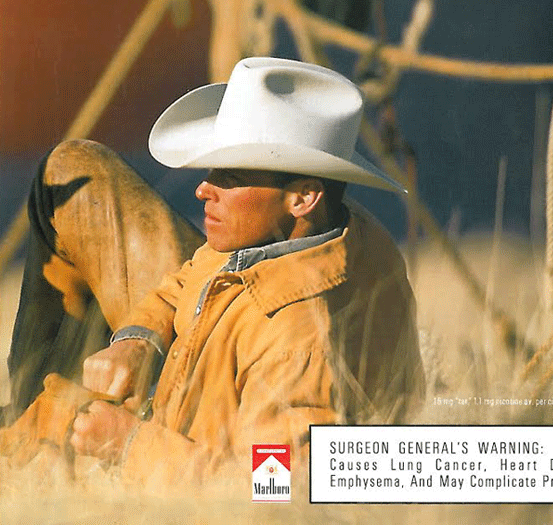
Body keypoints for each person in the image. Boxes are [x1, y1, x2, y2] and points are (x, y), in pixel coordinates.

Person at [2, 57, 424, 490]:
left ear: (302, 197)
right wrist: (139, 340)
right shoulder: (311, 226)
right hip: (195, 382)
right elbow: (189, 277)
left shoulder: (300, 345)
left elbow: (274, 488)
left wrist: (128, 444)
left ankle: (35, 448)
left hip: (186, 451)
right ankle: (31, 421)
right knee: (73, 169)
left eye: (230, 177)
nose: (203, 188)